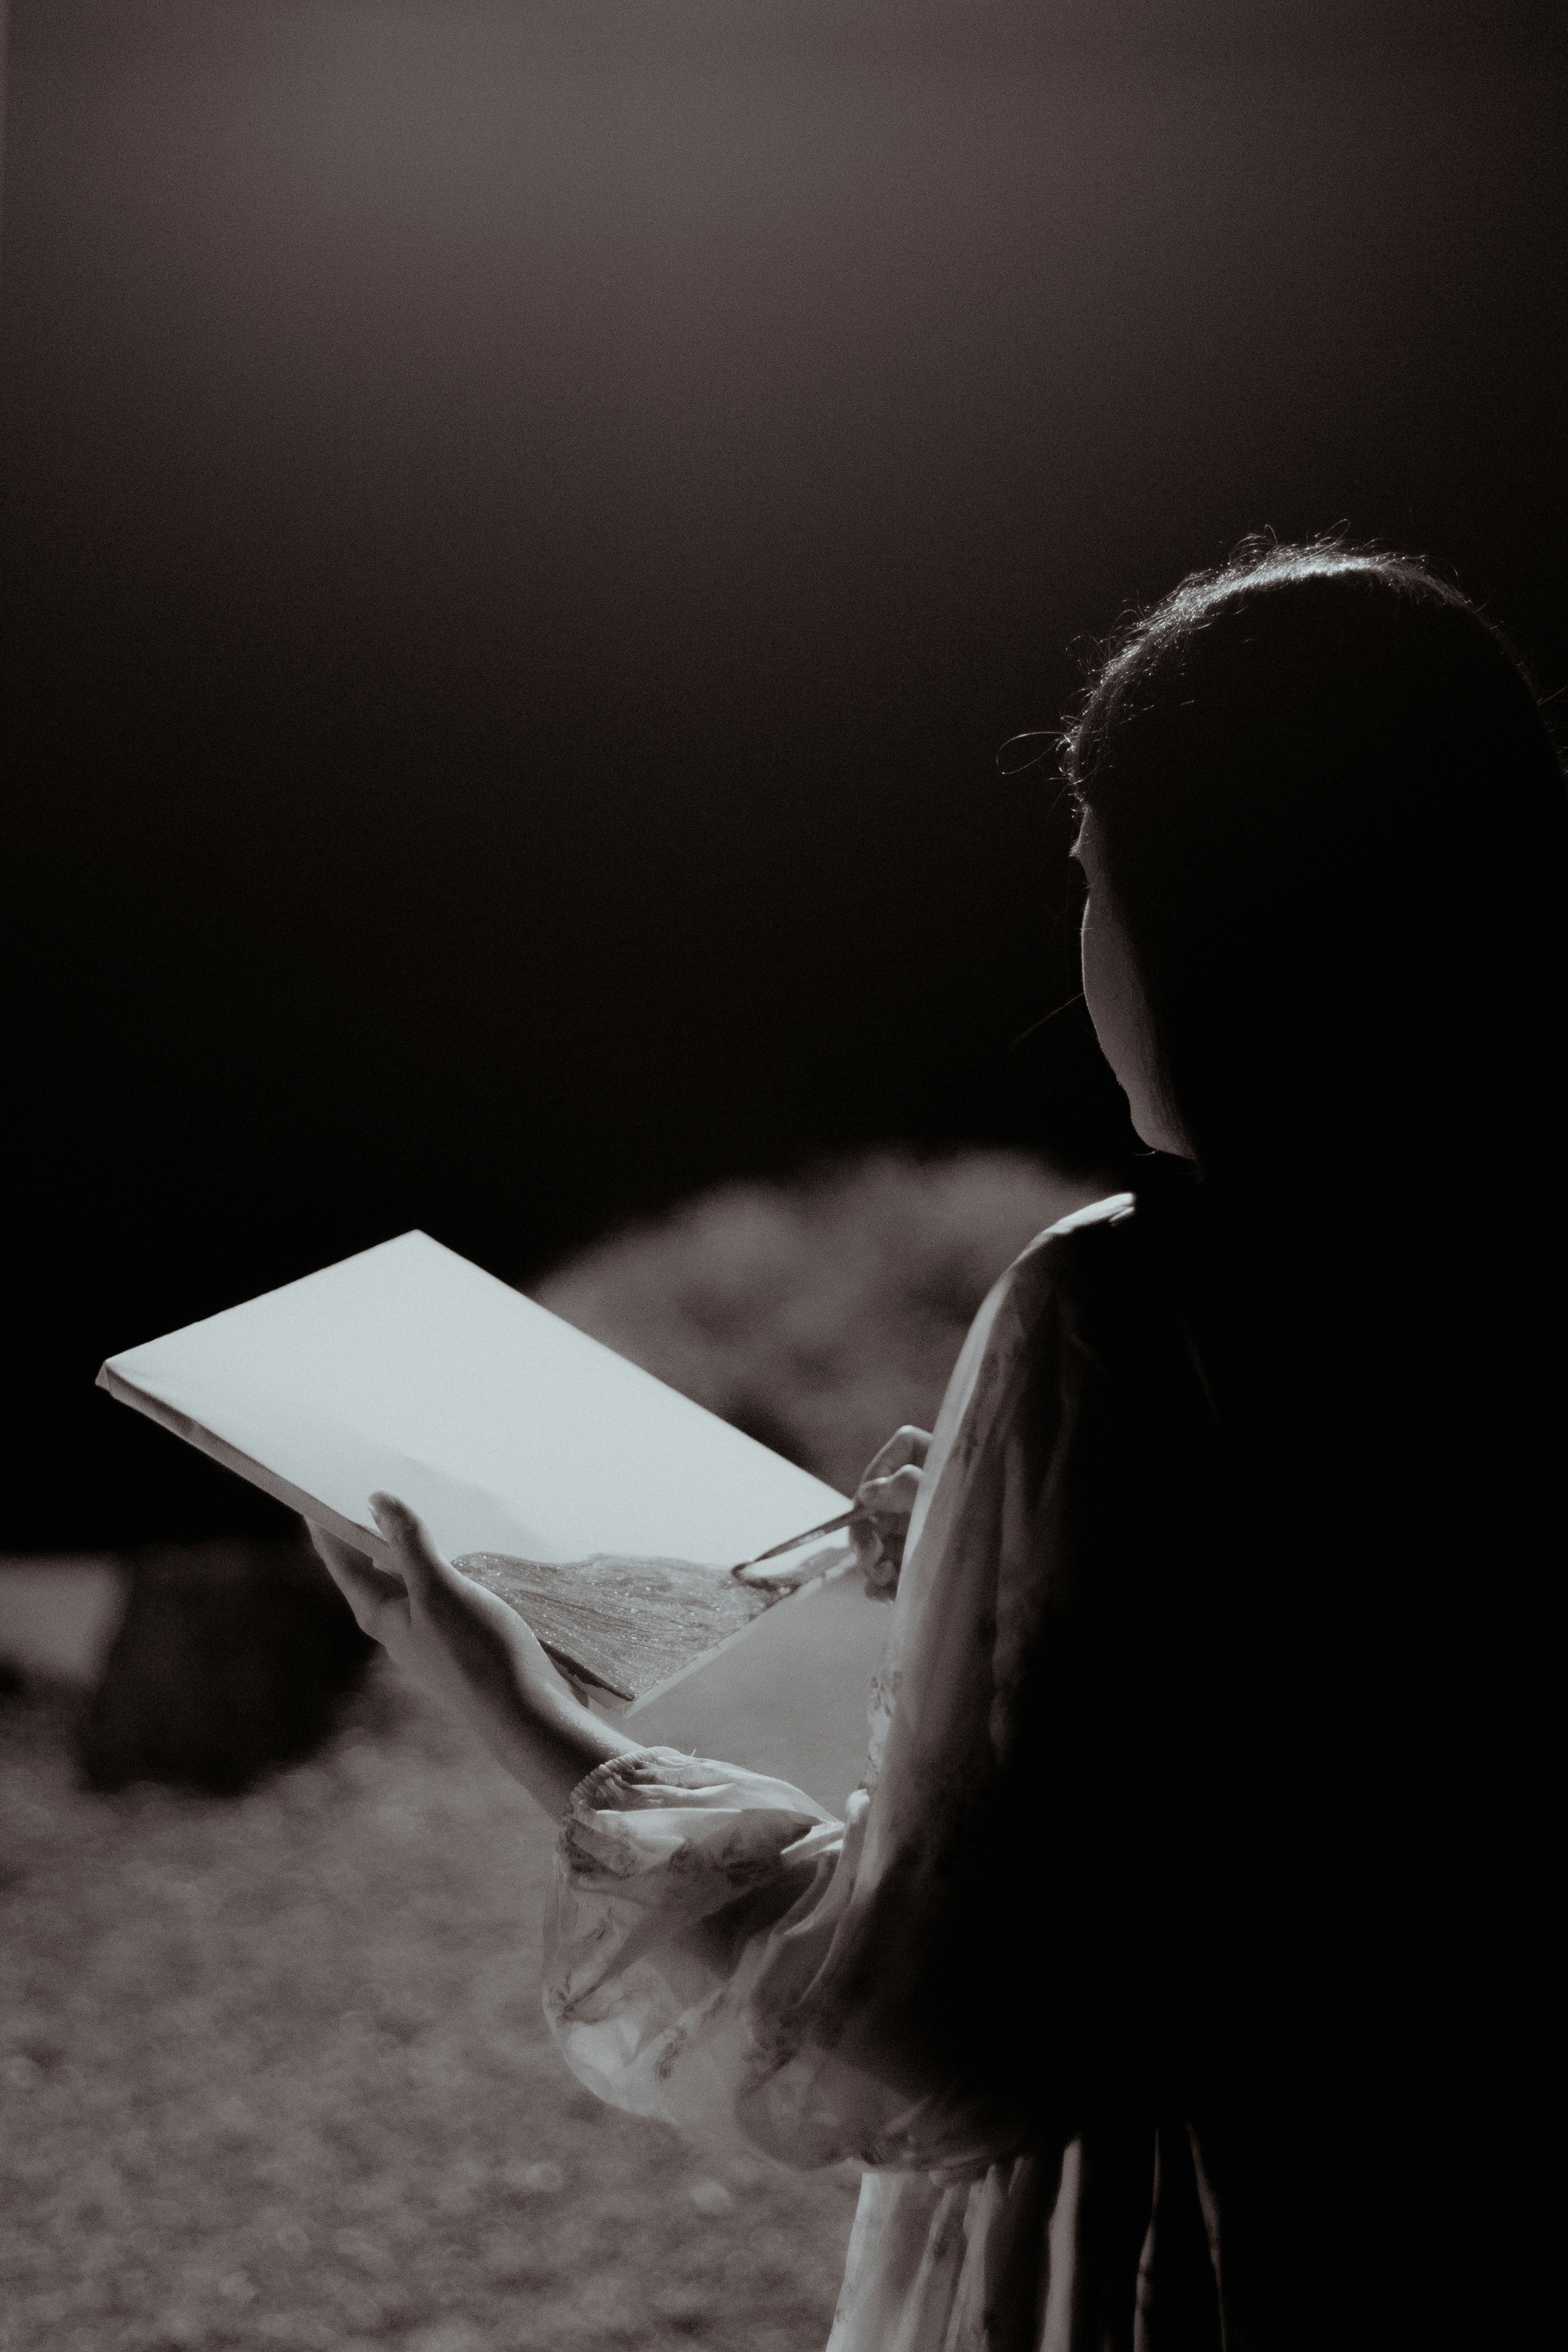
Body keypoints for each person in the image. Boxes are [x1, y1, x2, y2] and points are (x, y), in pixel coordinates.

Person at [310, 537, 1566, 2350]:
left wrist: (512, 1696)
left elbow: (919, 2023)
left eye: (1093, 872)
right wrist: (1018, 1562)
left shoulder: (1127, 1319)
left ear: (1210, 917)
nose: (1082, 940)